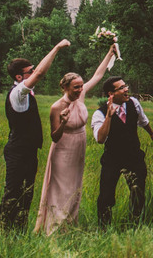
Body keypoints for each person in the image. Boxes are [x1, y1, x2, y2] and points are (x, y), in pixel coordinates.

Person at [34, 44, 116, 235]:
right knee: (60, 188)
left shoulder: (81, 96)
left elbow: (97, 75)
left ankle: (69, 225)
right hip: (63, 150)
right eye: (76, 87)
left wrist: (110, 53)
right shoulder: (56, 107)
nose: (80, 90)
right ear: (64, 87)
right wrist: (62, 122)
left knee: (74, 187)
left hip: (79, 147)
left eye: (81, 86)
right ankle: (54, 228)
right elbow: (54, 136)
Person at [0, 39, 71, 232]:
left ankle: (18, 231)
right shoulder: (18, 93)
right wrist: (57, 47)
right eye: (29, 71)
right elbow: (40, 73)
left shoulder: (26, 93)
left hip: (28, 151)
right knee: (13, 192)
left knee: (26, 193)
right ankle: (1, 230)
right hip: (18, 151)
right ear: (20, 77)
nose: (34, 72)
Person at [92, 76, 153, 226]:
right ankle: (104, 227)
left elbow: (143, 121)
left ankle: (135, 223)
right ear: (111, 94)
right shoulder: (99, 114)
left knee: (138, 191)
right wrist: (109, 117)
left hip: (133, 156)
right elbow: (100, 139)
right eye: (121, 88)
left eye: (125, 86)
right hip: (112, 159)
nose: (126, 89)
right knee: (106, 195)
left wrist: (152, 134)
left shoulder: (133, 103)